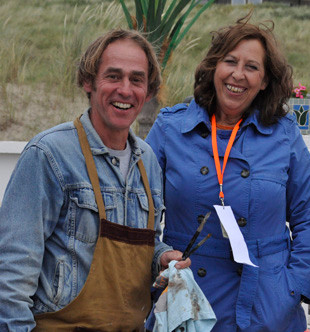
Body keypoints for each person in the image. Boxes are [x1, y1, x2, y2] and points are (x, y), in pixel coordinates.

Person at [145, 15, 310, 332]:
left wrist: (293, 287)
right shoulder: (169, 127)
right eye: (230, 61)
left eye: (252, 67)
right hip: (187, 300)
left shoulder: (284, 135)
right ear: (214, 67)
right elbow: (138, 211)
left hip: (267, 306)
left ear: (266, 80)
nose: (238, 75)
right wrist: (159, 255)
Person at [0, 29, 190, 331]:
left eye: (136, 79)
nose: (125, 90)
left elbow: (142, 244)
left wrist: (161, 257)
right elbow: (10, 275)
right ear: (88, 81)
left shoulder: (148, 161)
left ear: (149, 91)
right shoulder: (49, 155)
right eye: (113, 76)